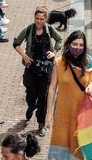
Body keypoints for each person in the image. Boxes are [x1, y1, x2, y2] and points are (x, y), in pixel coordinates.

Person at [46, 31, 92, 160]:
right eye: (75, 44)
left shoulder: (88, 61)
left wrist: (91, 85)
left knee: (77, 145)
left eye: (81, 45)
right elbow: (52, 88)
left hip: (82, 113)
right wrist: (49, 114)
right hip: (63, 112)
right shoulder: (59, 63)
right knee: (64, 140)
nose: (77, 48)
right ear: (68, 44)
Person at [12, 7, 63, 137]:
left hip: (46, 68)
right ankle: (30, 106)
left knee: (44, 96)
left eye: (41, 19)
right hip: (31, 66)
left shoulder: (50, 29)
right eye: (37, 18)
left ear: (45, 19)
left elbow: (60, 40)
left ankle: (41, 124)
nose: (39, 21)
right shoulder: (29, 29)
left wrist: (54, 52)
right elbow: (16, 43)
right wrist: (24, 55)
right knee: (30, 93)